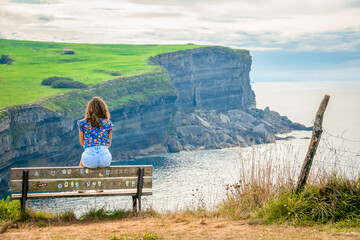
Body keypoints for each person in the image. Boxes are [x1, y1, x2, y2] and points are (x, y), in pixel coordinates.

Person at [77, 96, 114, 168]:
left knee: (82, 163)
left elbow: (82, 143)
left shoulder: (83, 123)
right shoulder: (108, 123)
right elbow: (108, 144)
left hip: (89, 159)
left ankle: (79, 178)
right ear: (103, 109)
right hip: (105, 159)